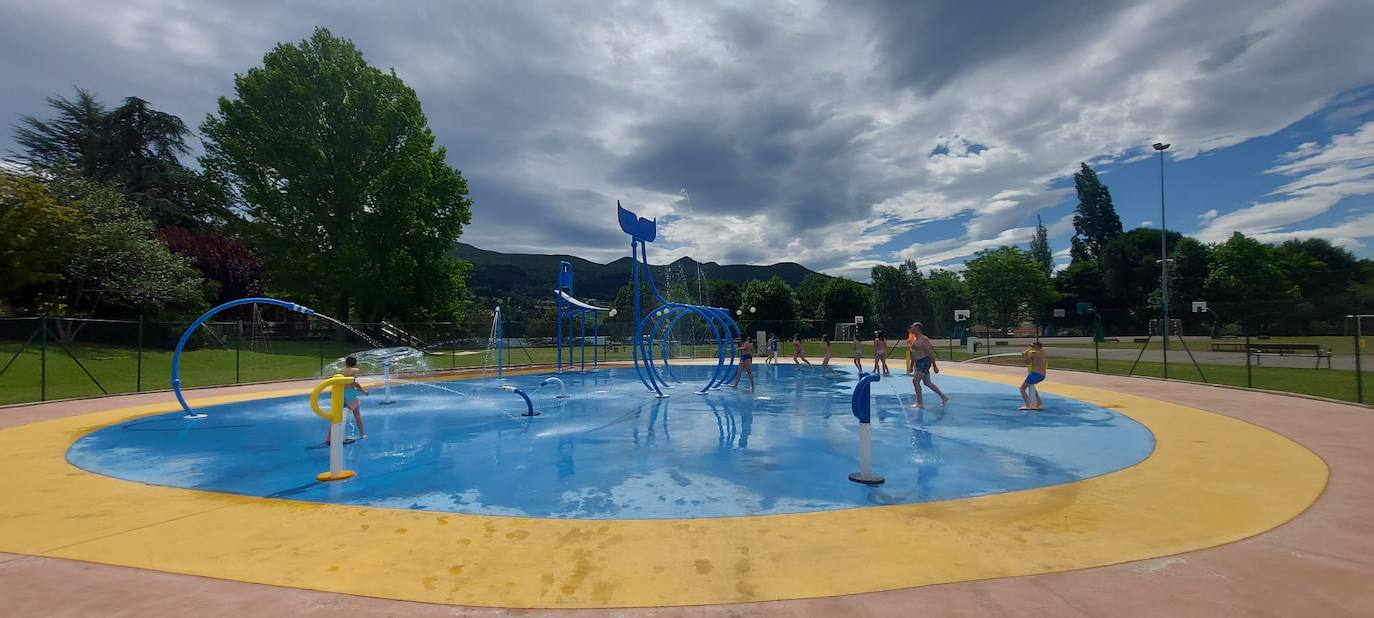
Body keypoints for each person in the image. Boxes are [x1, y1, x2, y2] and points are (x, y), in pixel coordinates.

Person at [324, 355, 368, 445]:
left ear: (346, 363)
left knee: (336, 416)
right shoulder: (355, 370)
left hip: (340, 394)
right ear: (355, 364)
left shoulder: (341, 371)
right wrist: (363, 391)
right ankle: (362, 434)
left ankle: (328, 438)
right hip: (350, 394)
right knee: (357, 415)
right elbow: (354, 382)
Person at [909, 322, 950, 408]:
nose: (911, 329)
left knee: (915, 381)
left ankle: (920, 403)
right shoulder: (915, 339)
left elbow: (929, 352)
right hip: (918, 362)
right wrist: (911, 365)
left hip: (924, 362)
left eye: (912, 327)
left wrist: (934, 365)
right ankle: (944, 397)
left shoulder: (924, 339)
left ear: (917, 329)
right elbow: (912, 353)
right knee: (927, 383)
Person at [1020, 341, 1048, 411]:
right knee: (1031, 385)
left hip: (1035, 374)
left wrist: (1024, 356)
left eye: (1032, 346)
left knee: (1022, 389)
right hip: (1042, 375)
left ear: (1037, 347)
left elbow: (1027, 362)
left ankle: (1028, 405)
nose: (1030, 348)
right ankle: (1039, 402)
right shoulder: (1043, 353)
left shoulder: (1033, 353)